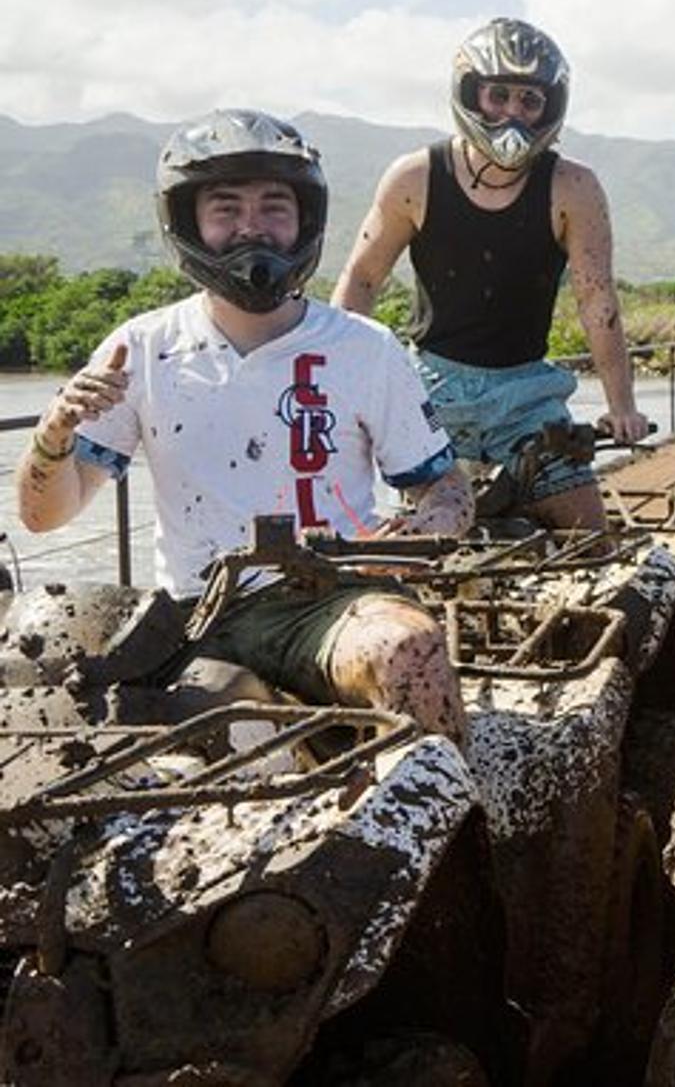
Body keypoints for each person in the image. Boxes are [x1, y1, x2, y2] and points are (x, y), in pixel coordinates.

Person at [16, 109, 474, 744]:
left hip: (329, 601)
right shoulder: (141, 348)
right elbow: (44, 517)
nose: (251, 227)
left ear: (305, 220)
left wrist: (420, 531)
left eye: (273, 208)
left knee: (410, 649)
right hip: (189, 615)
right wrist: (53, 436)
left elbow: (445, 486)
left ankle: (454, 800)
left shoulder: (364, 347)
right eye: (225, 208)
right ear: (187, 223)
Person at [332, 17, 649, 529]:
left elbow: (596, 299)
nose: (512, 113)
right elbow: (362, 279)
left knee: (589, 534)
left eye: (529, 100)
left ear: (551, 105)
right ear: (470, 94)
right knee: (429, 538)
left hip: (529, 395)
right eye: (497, 95)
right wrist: (338, 387)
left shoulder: (573, 187)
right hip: (433, 392)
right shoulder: (415, 177)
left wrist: (622, 406)